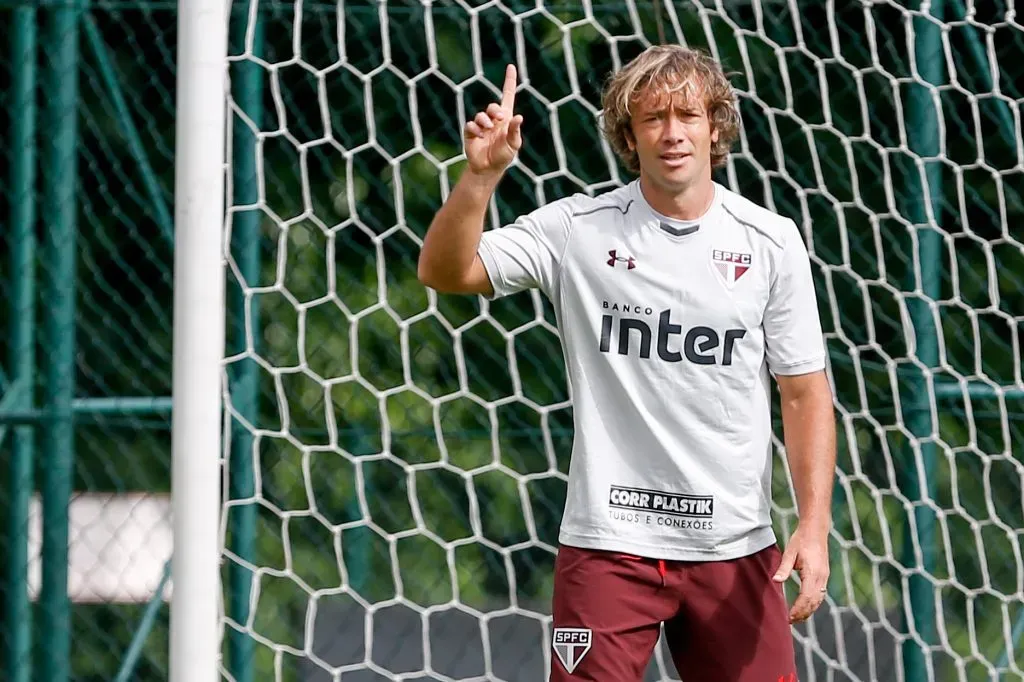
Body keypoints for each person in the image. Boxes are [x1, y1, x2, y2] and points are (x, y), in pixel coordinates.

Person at [417, 44, 836, 682]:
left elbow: (804, 392)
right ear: (628, 135)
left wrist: (813, 524)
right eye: (652, 119)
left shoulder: (771, 242)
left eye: (688, 115)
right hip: (609, 543)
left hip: (733, 543)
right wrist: (479, 179)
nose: (672, 134)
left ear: (716, 126)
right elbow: (446, 271)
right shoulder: (577, 229)